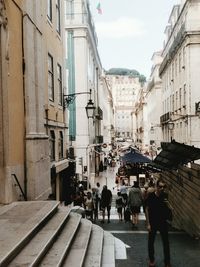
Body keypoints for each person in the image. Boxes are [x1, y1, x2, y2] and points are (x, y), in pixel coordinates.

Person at [145, 179, 172, 267]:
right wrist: (148, 223)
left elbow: (169, 209)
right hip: (153, 222)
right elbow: (147, 209)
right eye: (160, 187)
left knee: (166, 243)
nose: (162, 188)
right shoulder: (151, 196)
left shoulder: (165, 196)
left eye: (164, 187)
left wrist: (169, 205)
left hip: (163, 222)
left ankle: (167, 262)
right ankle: (152, 260)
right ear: (156, 187)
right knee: (151, 242)